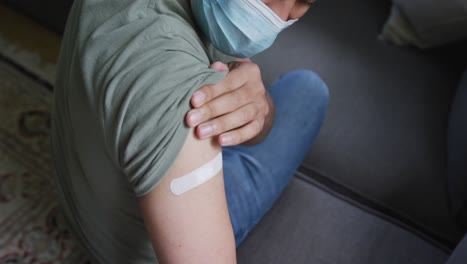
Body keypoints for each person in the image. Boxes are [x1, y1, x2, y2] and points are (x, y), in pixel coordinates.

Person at [50, 0, 328, 263]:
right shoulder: (172, 83)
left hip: (82, 206)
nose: (284, 15)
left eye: (307, 1)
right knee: (309, 92)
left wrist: (258, 109)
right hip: (133, 251)